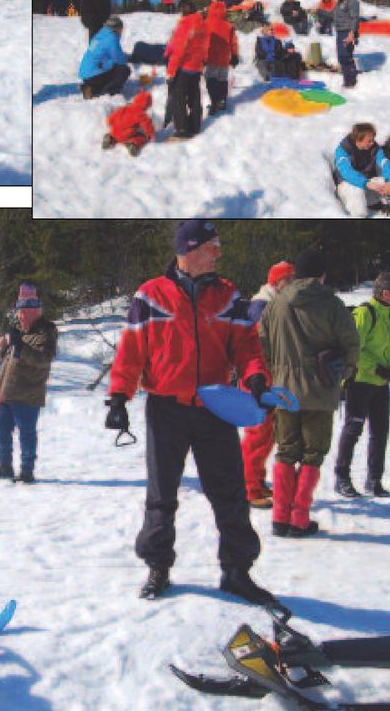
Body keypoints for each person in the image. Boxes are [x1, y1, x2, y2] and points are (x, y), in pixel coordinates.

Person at [104, 220, 278, 606]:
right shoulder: (150, 296)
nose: (219, 253)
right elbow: (131, 351)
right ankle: (158, 568)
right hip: (166, 409)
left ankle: (237, 572)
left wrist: (255, 379)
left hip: (216, 408)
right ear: (190, 250)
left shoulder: (228, 295)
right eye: (212, 246)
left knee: (230, 494)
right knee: (161, 495)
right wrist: (119, 396)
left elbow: (247, 347)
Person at [261, 252, 362, 535]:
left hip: (283, 390)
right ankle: (299, 519)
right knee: (312, 454)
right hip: (320, 388)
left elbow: (262, 343)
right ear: (322, 275)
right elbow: (351, 344)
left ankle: (280, 518)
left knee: (286, 451)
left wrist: (274, 374)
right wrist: (345, 374)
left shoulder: (276, 303)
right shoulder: (332, 303)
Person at [333, 273, 390, 498]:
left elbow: (384, 350)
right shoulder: (365, 313)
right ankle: (342, 477)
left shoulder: (386, 313)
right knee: (353, 430)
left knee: (380, 431)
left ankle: (374, 479)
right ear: (385, 293)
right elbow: (353, 349)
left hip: (378, 383)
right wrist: (378, 369)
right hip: (359, 381)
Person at [0, 284, 59, 484]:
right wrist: (2, 348)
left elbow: (43, 360)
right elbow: (7, 360)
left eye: (25, 313)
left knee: (26, 433)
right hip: (7, 391)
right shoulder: (18, 331)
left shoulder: (46, 331)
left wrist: (19, 346)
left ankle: (27, 471)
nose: (21, 317)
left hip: (27, 393)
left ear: (36, 312)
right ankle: (5, 466)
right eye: (19, 312)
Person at [241, 262, 296, 509]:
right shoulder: (261, 306)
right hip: (258, 380)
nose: (293, 282)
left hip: (268, 380)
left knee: (267, 437)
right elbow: (257, 349)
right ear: (276, 282)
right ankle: (249, 488)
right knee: (257, 437)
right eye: (289, 279)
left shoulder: (274, 304)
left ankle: (257, 482)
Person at [333, 123, 390, 217]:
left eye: (373, 140)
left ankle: (389, 209)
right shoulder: (343, 151)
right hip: (348, 187)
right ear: (358, 140)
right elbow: (347, 172)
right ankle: (358, 215)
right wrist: (366, 183)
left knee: (387, 183)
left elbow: (386, 164)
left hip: (367, 185)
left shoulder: (375, 149)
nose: (372, 143)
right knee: (356, 190)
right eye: (369, 141)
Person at [164, 0, 206, 139]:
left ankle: (181, 129)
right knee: (194, 96)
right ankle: (195, 125)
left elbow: (179, 50)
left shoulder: (185, 24)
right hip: (196, 67)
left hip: (184, 67)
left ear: (183, 11)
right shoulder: (202, 24)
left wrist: (171, 71)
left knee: (179, 98)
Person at [202, 0, 239, 116]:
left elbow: (200, 40)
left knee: (210, 78)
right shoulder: (228, 25)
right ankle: (222, 100)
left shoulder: (205, 23)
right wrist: (234, 55)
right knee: (222, 79)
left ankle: (214, 101)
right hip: (224, 58)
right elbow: (233, 42)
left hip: (210, 56)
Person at [79, 17, 131, 98]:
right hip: (93, 74)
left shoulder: (100, 35)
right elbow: (119, 59)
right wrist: (128, 58)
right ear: (116, 28)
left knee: (112, 69)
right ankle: (100, 92)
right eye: (121, 29)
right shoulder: (112, 38)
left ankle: (91, 86)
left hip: (86, 73)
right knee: (124, 70)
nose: (122, 31)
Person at [104, 90, 156, 155]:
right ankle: (133, 144)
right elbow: (147, 124)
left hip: (114, 131)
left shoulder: (125, 107)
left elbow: (110, 119)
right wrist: (150, 134)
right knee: (141, 137)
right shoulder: (141, 114)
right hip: (126, 135)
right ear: (146, 105)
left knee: (117, 134)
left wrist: (111, 123)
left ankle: (110, 138)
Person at [332, 0, 361, 88]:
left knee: (346, 55)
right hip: (340, 32)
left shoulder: (353, 2)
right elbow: (333, 15)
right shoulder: (340, 2)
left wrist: (352, 33)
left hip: (347, 32)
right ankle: (347, 81)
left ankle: (351, 81)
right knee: (341, 56)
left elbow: (355, 18)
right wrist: (319, 12)